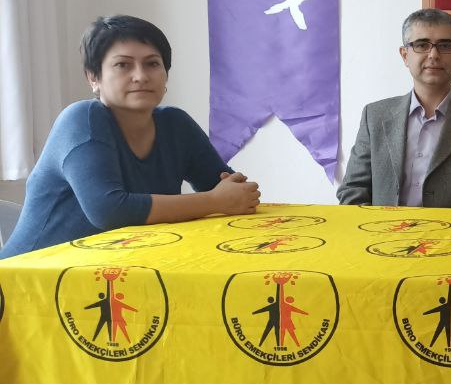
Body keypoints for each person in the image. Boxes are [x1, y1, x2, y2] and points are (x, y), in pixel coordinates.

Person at [0, 16, 259, 259]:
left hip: (120, 270)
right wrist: (214, 201)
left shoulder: (175, 124)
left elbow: (232, 192)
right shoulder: (82, 119)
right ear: (93, 77)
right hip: (29, 276)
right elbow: (109, 211)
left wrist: (231, 196)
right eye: (123, 65)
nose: (141, 76)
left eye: (152, 64)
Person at [337, 8, 451, 208]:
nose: (433, 55)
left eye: (445, 46)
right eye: (421, 45)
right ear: (404, 55)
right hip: (381, 227)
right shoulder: (375, 116)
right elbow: (353, 191)